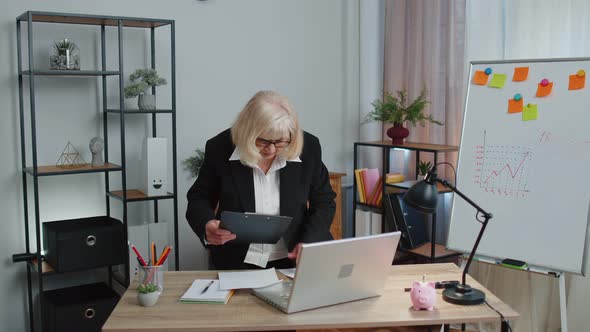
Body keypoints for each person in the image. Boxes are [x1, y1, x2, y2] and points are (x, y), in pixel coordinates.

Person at [186, 90, 336, 270]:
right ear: (247, 130)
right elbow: (199, 198)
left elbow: (324, 201)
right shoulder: (220, 147)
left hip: (293, 260)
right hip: (236, 260)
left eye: (280, 142)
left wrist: (310, 241)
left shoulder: (308, 146)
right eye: (263, 141)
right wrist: (207, 225)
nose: (271, 150)